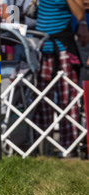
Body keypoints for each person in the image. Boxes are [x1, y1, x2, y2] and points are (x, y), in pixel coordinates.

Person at [33, 0, 89, 156]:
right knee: (41, 98)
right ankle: (42, 145)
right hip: (41, 46)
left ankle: (69, 146)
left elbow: (80, 11)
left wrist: (83, 24)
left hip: (63, 46)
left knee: (68, 98)